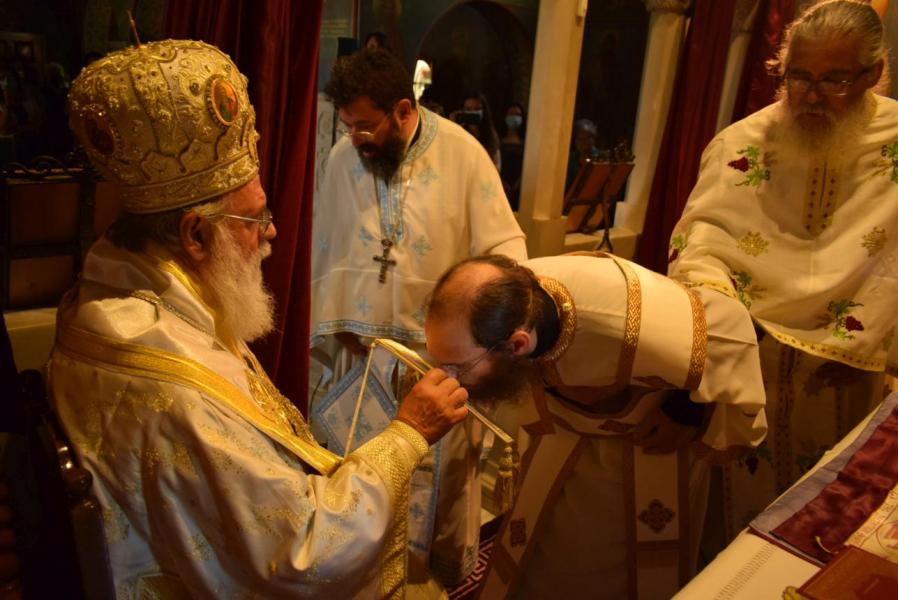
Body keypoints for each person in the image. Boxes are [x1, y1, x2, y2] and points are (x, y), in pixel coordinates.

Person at [50, 39, 470, 598]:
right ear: (196, 235)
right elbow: (305, 554)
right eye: (254, 218)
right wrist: (408, 433)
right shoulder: (174, 384)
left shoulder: (111, 294)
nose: (272, 232)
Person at [668, 0, 897, 544]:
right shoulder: (743, 143)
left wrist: (873, 332)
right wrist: (719, 313)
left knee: (832, 506)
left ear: (872, 74)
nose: (812, 96)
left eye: (834, 80)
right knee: (733, 507)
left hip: (851, 365)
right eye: (799, 77)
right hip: (750, 353)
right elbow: (701, 237)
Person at [424, 253, 766, 599]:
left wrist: (684, 412)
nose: (447, 378)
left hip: (645, 446)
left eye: (458, 367)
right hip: (563, 438)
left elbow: (731, 327)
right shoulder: (514, 301)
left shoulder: (628, 319)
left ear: (518, 344)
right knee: (547, 547)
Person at [311, 48, 526, 585]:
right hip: (358, 361)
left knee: (437, 483)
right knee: (359, 477)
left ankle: (426, 583)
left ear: (403, 110)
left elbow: (504, 251)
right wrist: (336, 322)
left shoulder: (464, 156)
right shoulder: (341, 160)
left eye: (365, 125)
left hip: (438, 365)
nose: (355, 138)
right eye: (348, 125)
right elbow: (324, 246)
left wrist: (482, 335)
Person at [449, 91, 501, 170]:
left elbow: (496, 166)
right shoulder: (458, 132)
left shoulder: (491, 135)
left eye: (477, 109)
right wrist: (452, 128)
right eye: (468, 109)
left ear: (484, 110)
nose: (473, 112)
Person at [498, 102, 526, 211]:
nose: (514, 117)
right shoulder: (498, 140)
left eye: (518, 114)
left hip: (521, 189)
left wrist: (518, 184)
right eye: (511, 114)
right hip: (499, 186)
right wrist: (502, 182)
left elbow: (527, 165)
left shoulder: (526, 142)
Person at [565, 118, 602, 191]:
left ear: (593, 138)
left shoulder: (602, 157)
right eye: (580, 139)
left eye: (587, 138)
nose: (584, 142)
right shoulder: (569, 159)